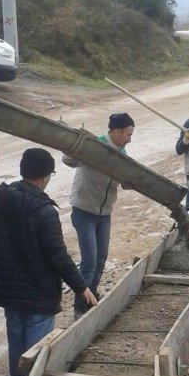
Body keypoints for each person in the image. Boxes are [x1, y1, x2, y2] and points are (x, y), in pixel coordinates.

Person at [0, 147, 97, 376]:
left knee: (17, 349)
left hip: (10, 296)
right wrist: (82, 288)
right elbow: (59, 257)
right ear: (43, 177)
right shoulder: (44, 212)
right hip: (39, 297)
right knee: (37, 351)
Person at [62, 112, 135, 318]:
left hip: (105, 213)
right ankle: (80, 306)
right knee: (89, 261)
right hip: (84, 211)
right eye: (128, 134)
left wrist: (132, 181)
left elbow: (125, 181)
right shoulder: (95, 145)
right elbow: (68, 159)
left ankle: (91, 295)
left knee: (101, 259)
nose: (130, 139)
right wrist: (76, 144)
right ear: (117, 131)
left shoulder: (122, 153)